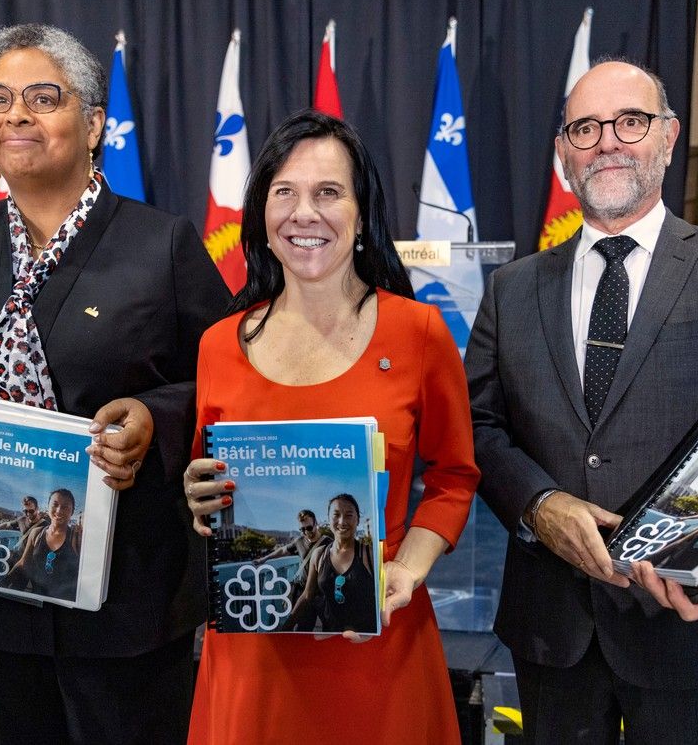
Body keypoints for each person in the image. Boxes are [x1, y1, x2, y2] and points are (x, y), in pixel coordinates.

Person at [0, 23, 229, 745]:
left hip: (126, 601)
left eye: (43, 97)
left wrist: (154, 417)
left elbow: (225, 385)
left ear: (94, 123)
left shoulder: (161, 244)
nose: (16, 116)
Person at [465, 59, 698, 744]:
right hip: (556, 629)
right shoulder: (512, 289)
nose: (607, 142)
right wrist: (539, 504)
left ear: (667, 135)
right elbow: (479, 426)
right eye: (585, 127)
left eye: (630, 122)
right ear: (564, 151)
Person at [183, 108, 479, 744]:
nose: (303, 212)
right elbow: (205, 487)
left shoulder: (420, 334)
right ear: (261, 214)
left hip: (380, 648)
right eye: (283, 192)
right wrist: (199, 494)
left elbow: (455, 477)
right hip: (253, 658)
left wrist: (411, 567)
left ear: (361, 213)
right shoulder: (216, 346)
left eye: (328, 192)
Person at [284, 494, 375, 633]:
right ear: (328, 519)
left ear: (358, 520)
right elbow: (307, 595)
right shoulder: (319, 554)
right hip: (329, 636)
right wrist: (286, 627)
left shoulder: (369, 554)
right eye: (336, 515)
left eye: (349, 515)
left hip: (363, 638)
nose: (342, 521)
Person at [253, 507, 331, 629]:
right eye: (302, 529)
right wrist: (264, 559)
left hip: (323, 593)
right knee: (304, 629)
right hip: (303, 592)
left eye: (309, 528)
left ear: (317, 524)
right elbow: (283, 550)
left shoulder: (328, 543)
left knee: (329, 628)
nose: (306, 532)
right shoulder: (300, 541)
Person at [5, 489, 82, 601]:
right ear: (48, 506)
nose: (59, 510)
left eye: (65, 507)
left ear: (72, 511)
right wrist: (3, 581)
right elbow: (23, 562)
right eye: (55, 505)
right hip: (37, 598)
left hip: (64, 603)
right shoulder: (36, 533)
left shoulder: (76, 538)